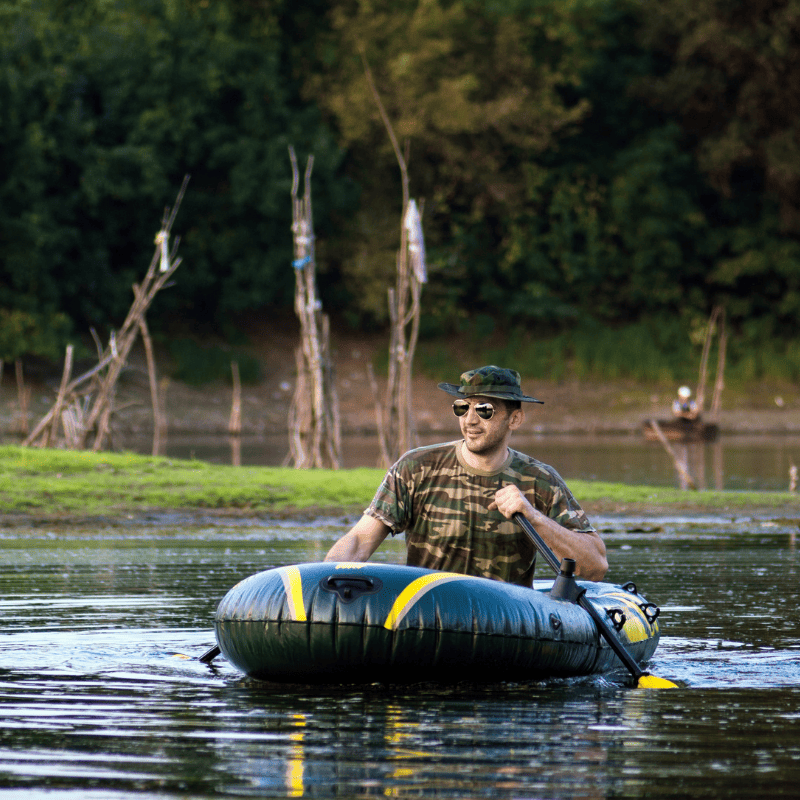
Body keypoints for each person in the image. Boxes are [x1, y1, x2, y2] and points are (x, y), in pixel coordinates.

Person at [324, 365, 607, 585]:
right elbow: (359, 541)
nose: (470, 420)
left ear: (515, 419)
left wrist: (533, 517)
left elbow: (595, 567)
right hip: (429, 617)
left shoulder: (541, 480)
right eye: (462, 407)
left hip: (507, 625)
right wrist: (322, 581)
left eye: (485, 410)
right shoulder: (416, 468)